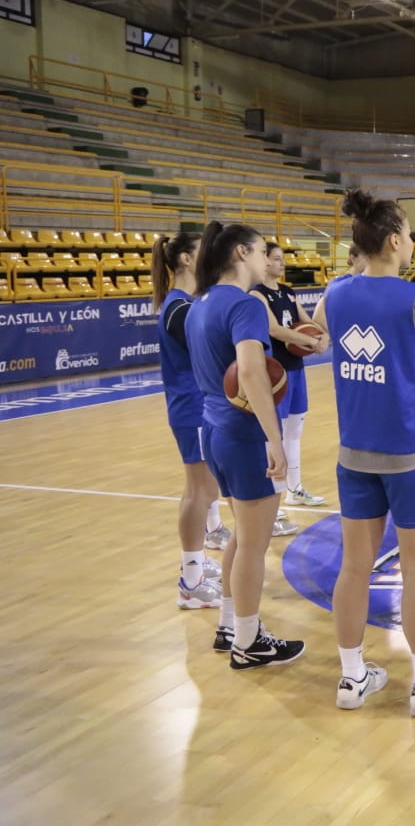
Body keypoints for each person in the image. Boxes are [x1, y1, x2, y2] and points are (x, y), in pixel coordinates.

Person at [316, 188, 415, 717]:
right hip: (413, 456)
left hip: (355, 453)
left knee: (354, 570)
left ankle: (352, 677)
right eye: (407, 233)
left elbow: (321, 333)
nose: (412, 242)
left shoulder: (334, 295)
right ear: (392, 241)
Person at [185, 221, 304, 668]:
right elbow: (252, 373)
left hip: (213, 429)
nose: (264, 259)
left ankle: (230, 626)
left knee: (242, 534)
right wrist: (275, 439)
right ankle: (249, 643)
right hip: (244, 434)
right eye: (259, 252)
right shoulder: (245, 304)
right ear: (241, 253)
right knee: (254, 544)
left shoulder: (199, 303)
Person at [151, 233, 224, 610]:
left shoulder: (185, 304)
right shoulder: (179, 309)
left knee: (202, 492)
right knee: (201, 493)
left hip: (197, 408)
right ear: (183, 260)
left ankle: (195, 565)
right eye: (202, 252)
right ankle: (190, 582)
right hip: (192, 408)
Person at [250, 242, 327, 533]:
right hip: (275, 372)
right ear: (265, 262)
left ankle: (295, 489)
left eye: (283, 259)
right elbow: (274, 329)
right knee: (275, 438)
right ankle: (275, 502)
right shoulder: (257, 295)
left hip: (297, 370)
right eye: (277, 259)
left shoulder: (288, 292)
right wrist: (310, 341)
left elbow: (306, 322)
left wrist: (322, 337)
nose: (282, 264)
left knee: (295, 434)